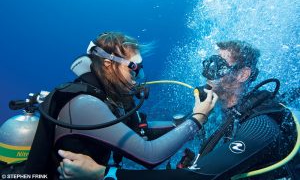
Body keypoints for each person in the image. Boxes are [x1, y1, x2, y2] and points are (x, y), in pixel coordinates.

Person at [57, 40, 297, 179]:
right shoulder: (223, 115)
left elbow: (197, 178)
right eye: (208, 64)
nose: (207, 73)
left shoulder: (261, 124)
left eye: (217, 66)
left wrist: (104, 174)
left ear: (243, 75)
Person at [22, 32, 218, 179]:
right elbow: (149, 155)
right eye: (133, 68)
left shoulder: (109, 99)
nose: (137, 77)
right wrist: (197, 120)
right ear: (109, 64)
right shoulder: (85, 104)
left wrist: (188, 120)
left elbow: (141, 131)